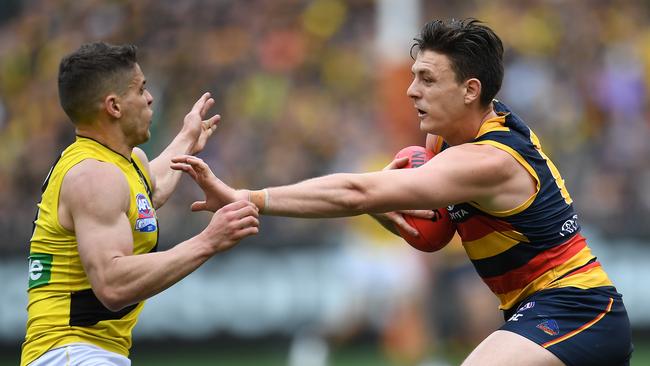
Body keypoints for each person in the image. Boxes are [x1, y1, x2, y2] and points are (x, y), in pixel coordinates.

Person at [171, 19, 633, 366]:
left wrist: (248, 198)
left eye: (428, 80)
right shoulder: (455, 138)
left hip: (577, 309)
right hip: (533, 308)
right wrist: (386, 208)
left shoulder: (488, 159)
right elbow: (432, 236)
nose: (412, 91)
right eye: (414, 76)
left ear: (471, 90)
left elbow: (355, 190)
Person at [21, 42, 260, 366]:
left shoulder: (125, 163)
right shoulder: (94, 176)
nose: (150, 98)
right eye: (141, 89)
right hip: (70, 352)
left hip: (88, 353)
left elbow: (150, 191)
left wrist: (187, 138)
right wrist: (209, 241)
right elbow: (112, 284)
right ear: (114, 107)